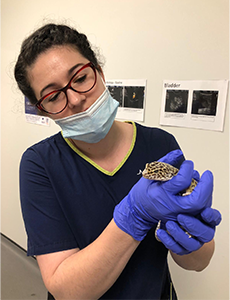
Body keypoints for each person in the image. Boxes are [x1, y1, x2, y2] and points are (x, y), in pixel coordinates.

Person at [14, 23, 221, 300]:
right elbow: (65, 290)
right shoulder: (39, 165)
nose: (75, 99)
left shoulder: (161, 145)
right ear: (43, 110)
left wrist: (196, 243)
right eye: (53, 96)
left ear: (98, 71)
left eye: (80, 78)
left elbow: (197, 263)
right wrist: (133, 215)